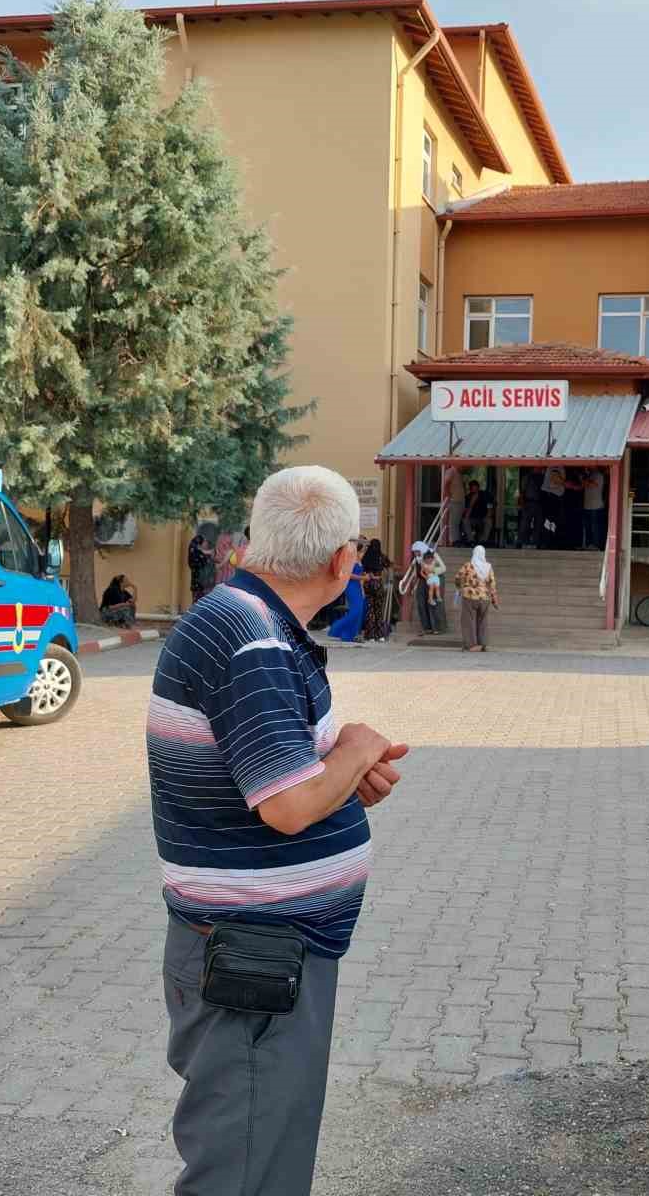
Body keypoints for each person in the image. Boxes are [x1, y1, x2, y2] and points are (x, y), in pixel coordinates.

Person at [148, 465, 407, 1196]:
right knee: (246, 1169)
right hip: (253, 959)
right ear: (342, 561)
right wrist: (353, 750)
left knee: (264, 1153)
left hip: (259, 951)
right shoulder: (252, 640)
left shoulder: (245, 620)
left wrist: (343, 781)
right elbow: (288, 807)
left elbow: (274, 776)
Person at [454, 545, 499, 652]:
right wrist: (494, 600)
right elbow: (492, 585)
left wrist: (460, 587)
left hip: (470, 597)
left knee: (468, 621)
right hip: (484, 598)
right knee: (483, 621)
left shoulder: (468, 565)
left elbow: (458, 577)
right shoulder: (488, 567)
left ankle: (471, 645)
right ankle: (483, 644)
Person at [327, 552, 366, 643]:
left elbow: (361, 576)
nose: (365, 551)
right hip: (350, 586)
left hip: (358, 587)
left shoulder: (360, 560)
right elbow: (348, 575)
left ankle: (350, 635)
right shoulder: (350, 559)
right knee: (355, 611)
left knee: (359, 611)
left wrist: (362, 589)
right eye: (364, 549)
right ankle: (336, 628)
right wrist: (363, 578)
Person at [360, 540, 392, 642]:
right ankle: (380, 635)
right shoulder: (382, 557)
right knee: (379, 610)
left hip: (368, 584)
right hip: (378, 584)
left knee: (370, 610)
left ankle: (370, 636)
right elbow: (389, 565)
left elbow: (362, 569)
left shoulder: (366, 557)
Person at [187, 526, 216, 605]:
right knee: (198, 602)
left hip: (205, 582)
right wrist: (206, 553)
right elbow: (195, 552)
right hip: (199, 582)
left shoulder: (200, 548)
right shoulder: (196, 543)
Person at [539, 465, 565, 549]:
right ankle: (546, 542)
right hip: (549, 497)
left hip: (557, 497)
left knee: (555, 521)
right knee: (547, 521)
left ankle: (553, 542)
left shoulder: (561, 467)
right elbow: (555, 477)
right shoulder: (551, 467)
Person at [518, 467, 543, 549]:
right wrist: (522, 504)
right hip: (528, 502)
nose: (539, 468)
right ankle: (522, 542)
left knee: (538, 524)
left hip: (539, 503)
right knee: (525, 523)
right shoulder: (527, 477)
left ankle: (536, 542)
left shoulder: (542, 477)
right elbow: (522, 491)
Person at [582, 468, 607, 550]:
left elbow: (592, 484)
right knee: (588, 527)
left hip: (596, 506)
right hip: (587, 506)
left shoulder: (598, 475)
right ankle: (589, 545)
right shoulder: (589, 475)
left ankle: (597, 546)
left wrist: (582, 479)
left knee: (595, 528)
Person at [441, 465, 464, 548]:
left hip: (459, 501)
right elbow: (446, 483)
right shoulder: (451, 471)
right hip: (454, 501)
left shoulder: (458, 473)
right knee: (453, 522)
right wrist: (448, 495)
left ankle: (456, 540)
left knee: (456, 522)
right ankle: (454, 541)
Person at [465, 480, 492, 546]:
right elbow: (466, 515)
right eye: (473, 490)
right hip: (473, 518)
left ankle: (483, 541)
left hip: (483, 517)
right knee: (465, 521)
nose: (475, 491)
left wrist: (488, 515)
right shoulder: (468, 497)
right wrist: (472, 503)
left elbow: (490, 506)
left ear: (478, 488)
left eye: (476, 489)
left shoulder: (485, 495)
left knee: (489, 521)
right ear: (470, 490)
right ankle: (471, 540)